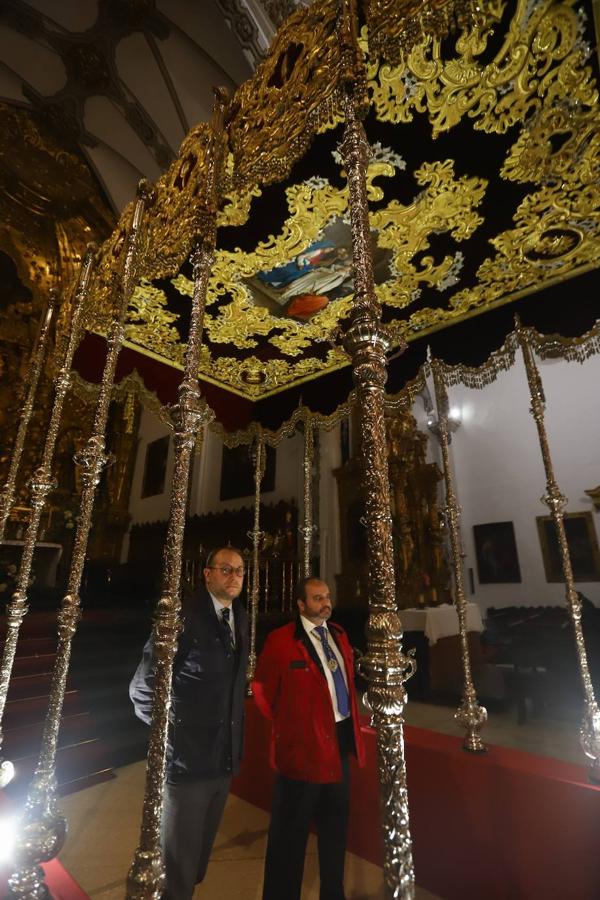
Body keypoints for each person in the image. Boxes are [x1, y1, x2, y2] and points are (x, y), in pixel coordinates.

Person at [130, 546, 249, 900]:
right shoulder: (184, 616)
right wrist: (172, 739)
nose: (234, 577)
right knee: (176, 870)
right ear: (207, 574)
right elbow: (143, 688)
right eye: (226, 569)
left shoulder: (238, 615)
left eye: (240, 571)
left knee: (195, 864)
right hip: (186, 762)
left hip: (222, 757)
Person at [252, 576, 366, 900]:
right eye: (317, 598)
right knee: (290, 835)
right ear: (301, 604)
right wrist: (288, 725)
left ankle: (334, 893)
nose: (325, 603)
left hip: (339, 744)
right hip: (301, 751)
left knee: (334, 831)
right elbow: (262, 690)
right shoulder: (281, 640)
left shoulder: (339, 636)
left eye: (327, 597)